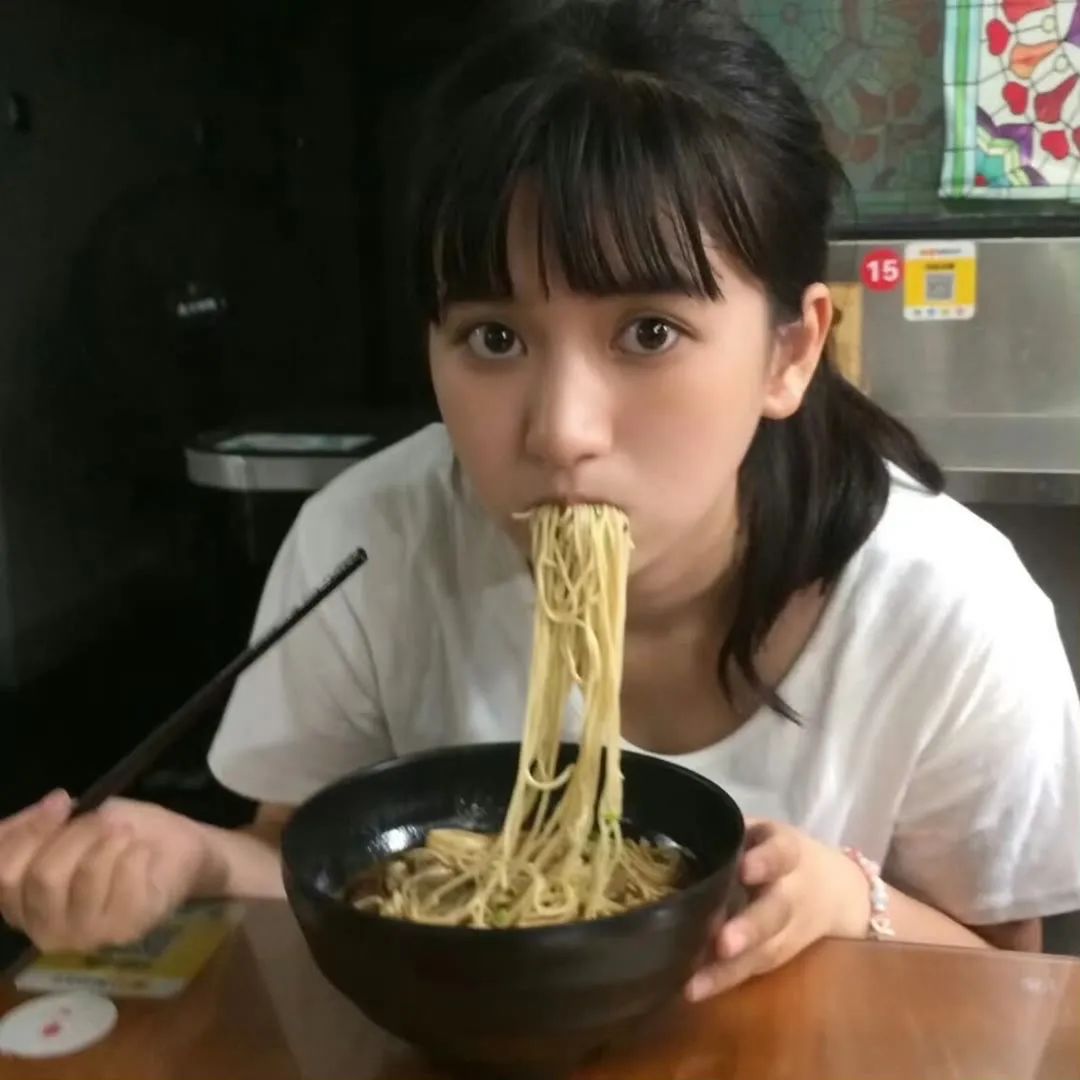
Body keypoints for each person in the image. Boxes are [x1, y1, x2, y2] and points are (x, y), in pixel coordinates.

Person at [2, 0, 1079, 1001]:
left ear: (789, 352)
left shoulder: (948, 610)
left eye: (649, 332)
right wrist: (186, 857)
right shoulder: (368, 542)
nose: (561, 430)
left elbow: (1012, 985)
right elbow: (304, 863)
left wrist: (858, 903)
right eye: (493, 336)